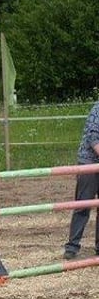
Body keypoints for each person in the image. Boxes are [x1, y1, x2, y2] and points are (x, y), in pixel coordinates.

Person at [63, 101, 99, 259]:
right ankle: (72, 246)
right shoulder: (98, 109)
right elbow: (93, 137)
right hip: (89, 163)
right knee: (83, 205)